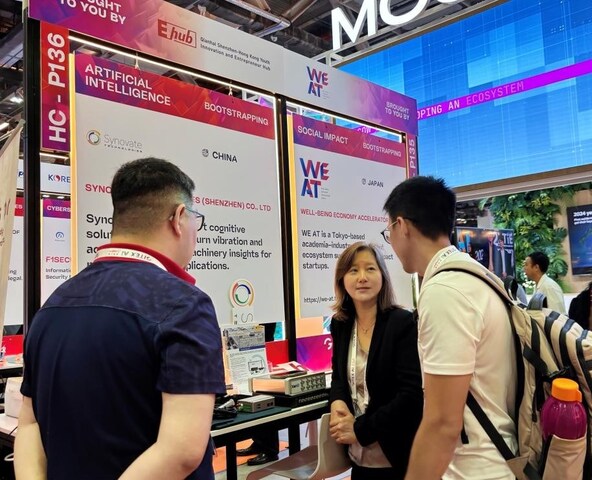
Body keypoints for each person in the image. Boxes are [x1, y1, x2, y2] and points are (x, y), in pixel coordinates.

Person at [15, 157, 226, 480]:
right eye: (195, 219)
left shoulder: (55, 304)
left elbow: (29, 424)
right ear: (178, 218)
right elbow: (181, 451)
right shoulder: (184, 305)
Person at [383, 176, 517, 480]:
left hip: (475, 470)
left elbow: (443, 423)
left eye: (388, 230)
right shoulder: (476, 276)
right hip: (498, 458)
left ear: (402, 226)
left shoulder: (444, 291)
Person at [328, 241, 423, 480]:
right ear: (342, 279)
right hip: (358, 457)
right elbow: (338, 376)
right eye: (353, 270)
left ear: (382, 276)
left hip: (397, 455)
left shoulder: (402, 323)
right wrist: (337, 402)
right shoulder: (341, 324)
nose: (362, 277)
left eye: (370, 269)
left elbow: (411, 395)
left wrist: (360, 430)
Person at [236, 322, 280, 466]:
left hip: (260, 338)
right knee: (250, 393)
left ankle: (270, 449)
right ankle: (259, 442)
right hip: (247, 331)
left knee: (263, 393)